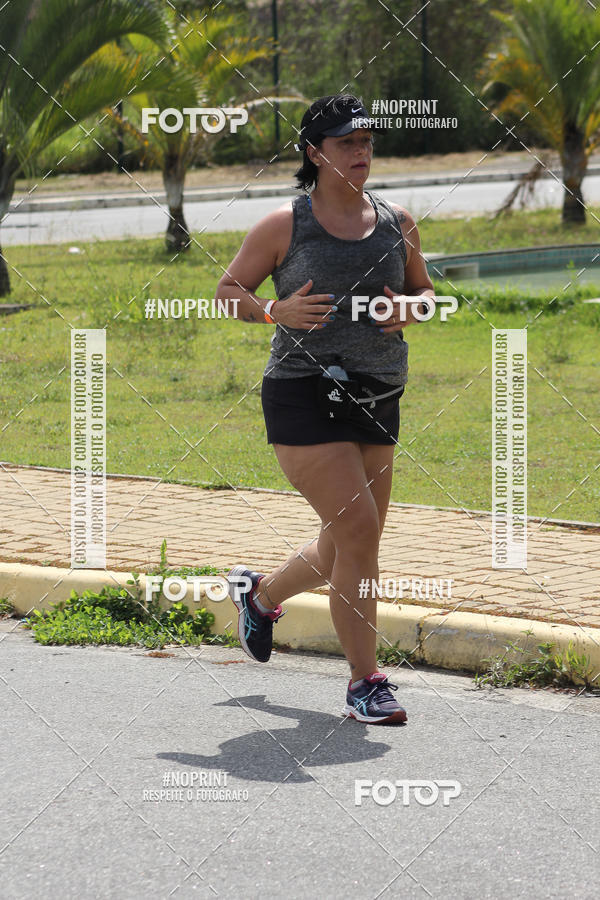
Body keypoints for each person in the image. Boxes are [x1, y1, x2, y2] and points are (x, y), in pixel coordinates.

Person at [215, 93, 435, 725]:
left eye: (367, 141)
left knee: (345, 543)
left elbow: (426, 294)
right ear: (314, 153)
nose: (361, 152)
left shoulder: (398, 221)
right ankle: (366, 682)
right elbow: (228, 290)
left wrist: (411, 310)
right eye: (347, 143)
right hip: (303, 394)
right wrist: (271, 311)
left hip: (377, 394)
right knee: (359, 531)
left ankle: (259, 600)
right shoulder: (286, 224)